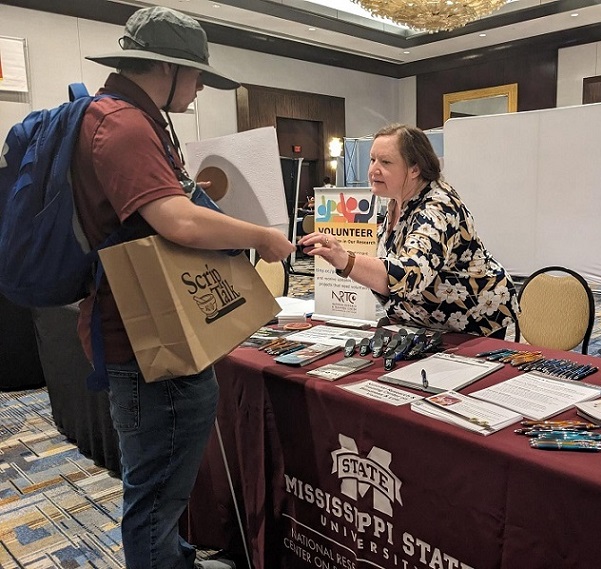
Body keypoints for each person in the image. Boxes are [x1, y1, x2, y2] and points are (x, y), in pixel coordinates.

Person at [73, 7, 294, 569]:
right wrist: (262, 236)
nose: (198, 89)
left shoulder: (119, 117)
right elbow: (180, 221)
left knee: (160, 483)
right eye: (195, 75)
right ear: (166, 69)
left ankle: (176, 557)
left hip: (146, 329)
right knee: (152, 494)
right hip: (148, 340)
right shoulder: (123, 125)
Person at [298, 124, 518, 337]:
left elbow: (410, 274)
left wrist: (345, 260)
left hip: (473, 319)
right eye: (372, 159)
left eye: (385, 162)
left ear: (415, 169)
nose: (373, 169)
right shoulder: (398, 200)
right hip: (427, 320)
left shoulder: (438, 208)